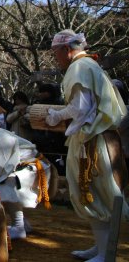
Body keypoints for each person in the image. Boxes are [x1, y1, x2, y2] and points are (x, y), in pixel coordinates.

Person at [45, 29, 128, 262]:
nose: (55, 58)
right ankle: (101, 246)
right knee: (98, 193)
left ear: (66, 50)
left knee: (93, 193)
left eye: (56, 53)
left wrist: (55, 116)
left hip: (92, 142)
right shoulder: (91, 65)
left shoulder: (79, 67)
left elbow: (80, 108)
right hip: (101, 138)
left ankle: (104, 252)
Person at [0, 127, 55, 241]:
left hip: (34, 168)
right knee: (0, 183)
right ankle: (23, 223)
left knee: (2, 185)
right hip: (25, 168)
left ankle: (19, 227)